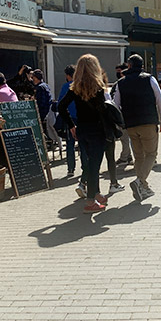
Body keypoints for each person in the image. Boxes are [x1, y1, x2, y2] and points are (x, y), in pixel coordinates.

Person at [58, 54, 110, 213]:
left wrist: (71, 125)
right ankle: (90, 201)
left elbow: (61, 107)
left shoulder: (75, 87)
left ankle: (96, 193)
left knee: (89, 163)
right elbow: (102, 111)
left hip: (81, 129)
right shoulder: (99, 87)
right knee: (95, 165)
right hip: (97, 130)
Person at [114, 54, 161, 201]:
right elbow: (160, 100)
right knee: (151, 154)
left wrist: (120, 123)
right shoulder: (149, 79)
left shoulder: (121, 83)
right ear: (142, 65)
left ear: (129, 66)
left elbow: (115, 104)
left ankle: (143, 187)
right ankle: (140, 182)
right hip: (148, 122)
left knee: (138, 156)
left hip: (130, 125)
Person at [57, 65, 78, 177]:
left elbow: (60, 104)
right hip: (82, 118)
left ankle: (71, 168)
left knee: (70, 144)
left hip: (70, 119)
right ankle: (86, 168)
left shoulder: (66, 87)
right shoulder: (82, 85)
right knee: (84, 144)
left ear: (68, 75)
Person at [112, 64, 133, 167]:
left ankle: (125, 157)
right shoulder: (121, 83)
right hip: (126, 115)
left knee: (125, 138)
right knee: (126, 138)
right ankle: (128, 157)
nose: (118, 74)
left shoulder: (121, 84)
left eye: (119, 71)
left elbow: (115, 102)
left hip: (124, 116)